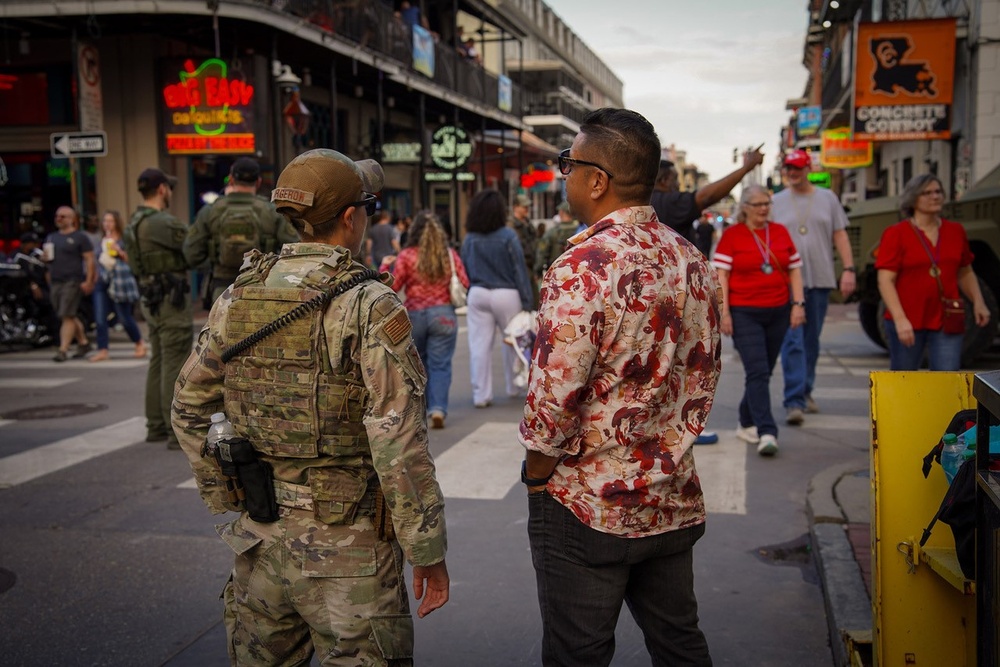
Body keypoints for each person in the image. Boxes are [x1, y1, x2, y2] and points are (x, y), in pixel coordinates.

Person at [171, 148, 449, 665]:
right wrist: (426, 549)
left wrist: (229, 491)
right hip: (349, 552)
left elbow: (187, 406)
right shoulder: (367, 302)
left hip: (259, 542)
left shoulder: (238, 295)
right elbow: (397, 438)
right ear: (351, 218)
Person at [519, 107, 720, 666]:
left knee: (576, 654)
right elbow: (702, 374)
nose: (565, 176)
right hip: (669, 496)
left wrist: (536, 475)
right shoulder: (692, 261)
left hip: (589, 505)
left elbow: (555, 396)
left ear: (598, 180)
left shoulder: (584, 265)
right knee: (681, 644)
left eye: (568, 164)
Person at [712, 185, 805, 456]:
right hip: (744, 313)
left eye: (767, 203)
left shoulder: (779, 232)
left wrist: (798, 304)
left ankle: (746, 420)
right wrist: (724, 312)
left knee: (762, 372)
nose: (764, 208)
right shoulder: (732, 236)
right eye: (757, 204)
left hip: (778, 310)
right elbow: (722, 277)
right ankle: (767, 431)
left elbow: (794, 270)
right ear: (745, 208)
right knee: (758, 371)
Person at [771, 149, 855, 425]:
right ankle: (794, 400)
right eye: (788, 168)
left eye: (797, 167)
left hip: (819, 279)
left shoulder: (827, 198)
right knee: (792, 340)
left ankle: (805, 390)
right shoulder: (776, 201)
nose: (792, 172)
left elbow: (840, 234)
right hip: (786, 283)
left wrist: (849, 270)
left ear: (808, 168)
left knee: (811, 341)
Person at [876, 173, 991, 370]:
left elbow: (965, 271)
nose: (935, 197)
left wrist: (979, 302)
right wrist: (900, 319)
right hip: (908, 319)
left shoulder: (955, 231)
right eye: (927, 193)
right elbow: (885, 280)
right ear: (913, 199)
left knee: (945, 383)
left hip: (946, 319)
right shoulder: (896, 234)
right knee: (905, 383)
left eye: (938, 192)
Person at [380, 211, 469, 429]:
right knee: (440, 364)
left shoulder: (407, 255)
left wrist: (384, 267)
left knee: (417, 366)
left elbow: (392, 286)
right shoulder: (448, 254)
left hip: (415, 315)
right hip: (444, 315)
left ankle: (419, 410)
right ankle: (438, 409)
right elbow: (465, 281)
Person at [124, 167, 192, 449]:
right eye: (170, 188)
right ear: (163, 189)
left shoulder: (134, 221)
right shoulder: (162, 222)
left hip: (150, 297)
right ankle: (171, 427)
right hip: (169, 299)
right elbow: (194, 248)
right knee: (174, 361)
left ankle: (155, 424)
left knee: (158, 360)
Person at [183, 157, 299, 304]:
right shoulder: (271, 212)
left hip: (222, 291)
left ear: (231, 179)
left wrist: (215, 263)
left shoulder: (210, 211)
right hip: (260, 290)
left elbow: (191, 254)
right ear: (258, 181)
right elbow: (294, 250)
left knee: (221, 326)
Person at [461, 190, 534, 408]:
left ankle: (481, 394)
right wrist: (528, 301)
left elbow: (464, 267)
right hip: (507, 293)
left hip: (478, 292)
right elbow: (519, 270)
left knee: (479, 345)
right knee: (513, 341)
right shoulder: (508, 236)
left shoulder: (470, 238)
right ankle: (514, 386)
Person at [651, 148, 764, 243]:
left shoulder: (646, 201)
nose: (679, 183)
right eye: (675, 179)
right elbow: (706, 197)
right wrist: (746, 168)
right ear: (664, 180)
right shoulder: (668, 202)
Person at [89, 210, 147, 362]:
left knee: (124, 316)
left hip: (119, 281)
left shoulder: (124, 240)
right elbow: (96, 261)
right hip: (103, 280)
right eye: (105, 221)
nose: (107, 223)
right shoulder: (101, 239)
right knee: (100, 317)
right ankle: (103, 349)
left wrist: (119, 251)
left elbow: (132, 261)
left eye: (110, 221)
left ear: (116, 223)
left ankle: (139, 343)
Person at [45, 206, 97, 362]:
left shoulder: (80, 237)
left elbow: (89, 259)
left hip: (72, 280)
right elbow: (48, 260)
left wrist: (89, 280)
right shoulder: (51, 237)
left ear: (72, 219)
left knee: (66, 314)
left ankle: (63, 349)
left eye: (63, 216)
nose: (59, 219)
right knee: (67, 314)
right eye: (57, 216)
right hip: (56, 280)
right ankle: (83, 342)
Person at [534, 201, 578, 276]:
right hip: (577, 273)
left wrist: (537, 272)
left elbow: (541, 254)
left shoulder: (552, 233)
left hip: (556, 274)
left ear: (561, 213)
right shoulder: (581, 230)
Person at [509, 193, 537, 285]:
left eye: (527, 206)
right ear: (516, 207)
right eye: (524, 206)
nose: (526, 209)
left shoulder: (528, 224)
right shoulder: (511, 226)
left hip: (530, 267)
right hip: (518, 268)